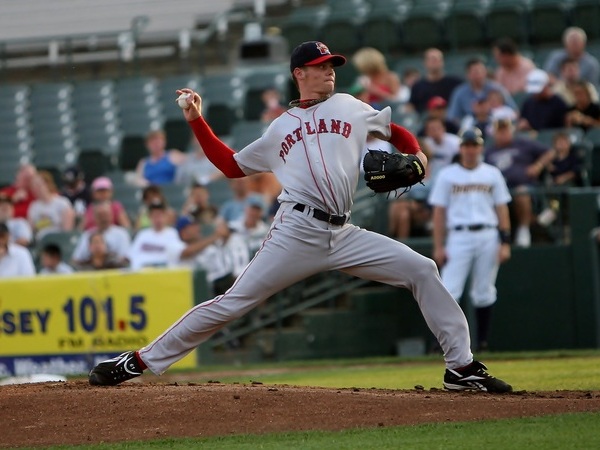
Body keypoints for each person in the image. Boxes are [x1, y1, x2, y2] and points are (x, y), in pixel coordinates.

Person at [88, 40, 512, 393]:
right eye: (319, 66)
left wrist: (416, 154)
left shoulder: (349, 106)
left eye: (332, 66)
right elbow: (232, 166)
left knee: (422, 268)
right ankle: (138, 361)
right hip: (296, 230)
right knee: (232, 303)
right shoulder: (278, 129)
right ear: (299, 74)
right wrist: (197, 121)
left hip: (343, 232)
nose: (329, 71)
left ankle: (461, 368)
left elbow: (393, 130)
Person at [429, 128, 511, 352]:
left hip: (488, 234)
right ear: (461, 148)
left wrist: (505, 241)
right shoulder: (447, 174)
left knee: (484, 291)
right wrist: (438, 245)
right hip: (458, 235)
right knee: (448, 289)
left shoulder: (492, 173)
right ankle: (441, 343)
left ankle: (482, 342)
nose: (471, 149)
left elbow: (502, 208)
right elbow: (439, 213)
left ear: (480, 147)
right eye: (467, 145)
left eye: (474, 145)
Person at [485, 118, 555, 247]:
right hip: (497, 190)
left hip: (522, 187)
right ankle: (493, 235)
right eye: (499, 131)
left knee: (521, 192)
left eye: (505, 130)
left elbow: (550, 152)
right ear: (494, 134)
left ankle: (523, 230)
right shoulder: (489, 152)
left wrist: (538, 166)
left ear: (511, 130)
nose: (503, 134)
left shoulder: (523, 143)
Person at [447, 57, 517, 125]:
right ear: (468, 74)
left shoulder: (497, 88)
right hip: (471, 128)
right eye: (475, 72)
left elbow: (513, 110)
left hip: (496, 127)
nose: (479, 74)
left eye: (481, 70)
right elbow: (453, 116)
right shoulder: (460, 92)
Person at [127, 199, 182, 270]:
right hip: (143, 273)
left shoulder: (172, 233)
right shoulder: (142, 234)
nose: (158, 219)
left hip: (165, 273)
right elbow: (131, 255)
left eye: (160, 215)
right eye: (155, 215)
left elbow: (177, 255)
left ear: (165, 216)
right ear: (150, 217)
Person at [71, 201, 131, 266]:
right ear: (94, 217)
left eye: (106, 215)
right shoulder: (87, 234)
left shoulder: (121, 234)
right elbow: (76, 259)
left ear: (111, 215)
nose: (103, 218)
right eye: (100, 215)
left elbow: (125, 258)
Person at [408, 48, 463, 114]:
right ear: (425, 63)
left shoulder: (455, 82)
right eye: (431, 59)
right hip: (425, 121)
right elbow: (411, 106)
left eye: (437, 59)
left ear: (442, 61)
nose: (435, 62)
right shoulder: (418, 86)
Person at [27, 171, 75, 240]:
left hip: (58, 240)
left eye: (38, 185)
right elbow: (30, 230)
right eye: (33, 186)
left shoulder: (62, 203)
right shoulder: (33, 206)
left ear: (47, 184)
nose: (35, 189)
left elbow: (67, 230)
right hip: (40, 241)